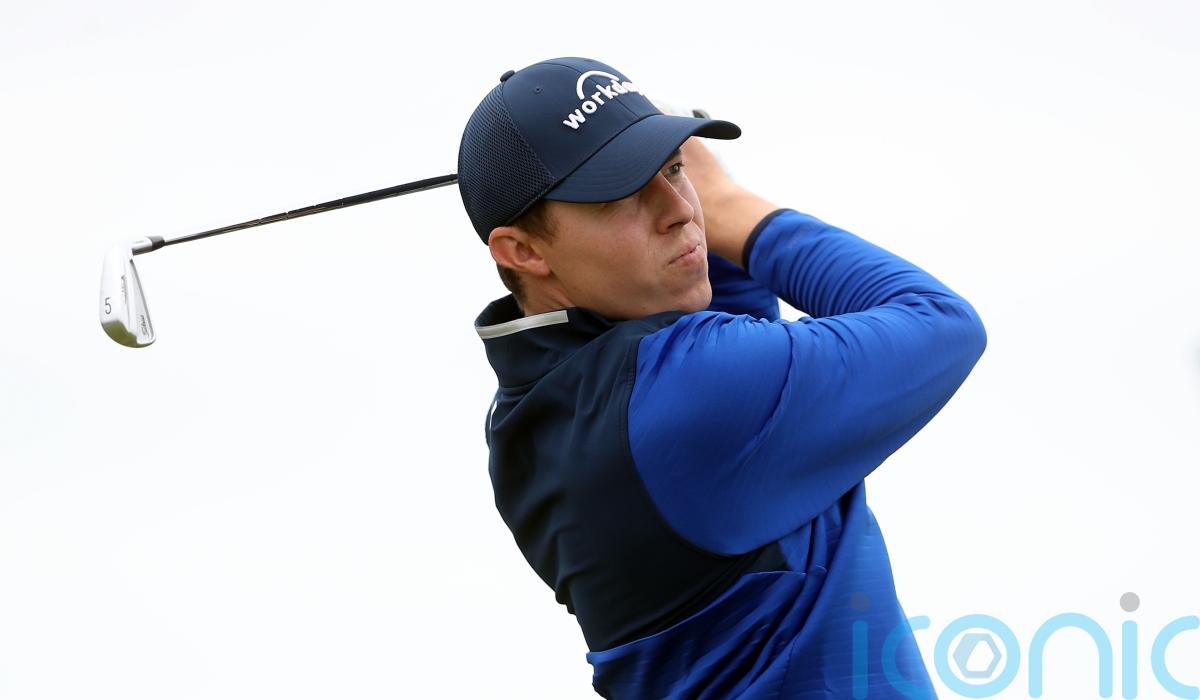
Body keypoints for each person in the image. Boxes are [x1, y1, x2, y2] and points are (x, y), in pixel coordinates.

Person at [457, 56, 987, 699]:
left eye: (673, 170)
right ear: (522, 251)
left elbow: (723, 316)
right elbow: (940, 323)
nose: (681, 211)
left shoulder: (526, 420)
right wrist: (729, 204)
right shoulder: (690, 388)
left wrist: (649, 168)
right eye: (621, 193)